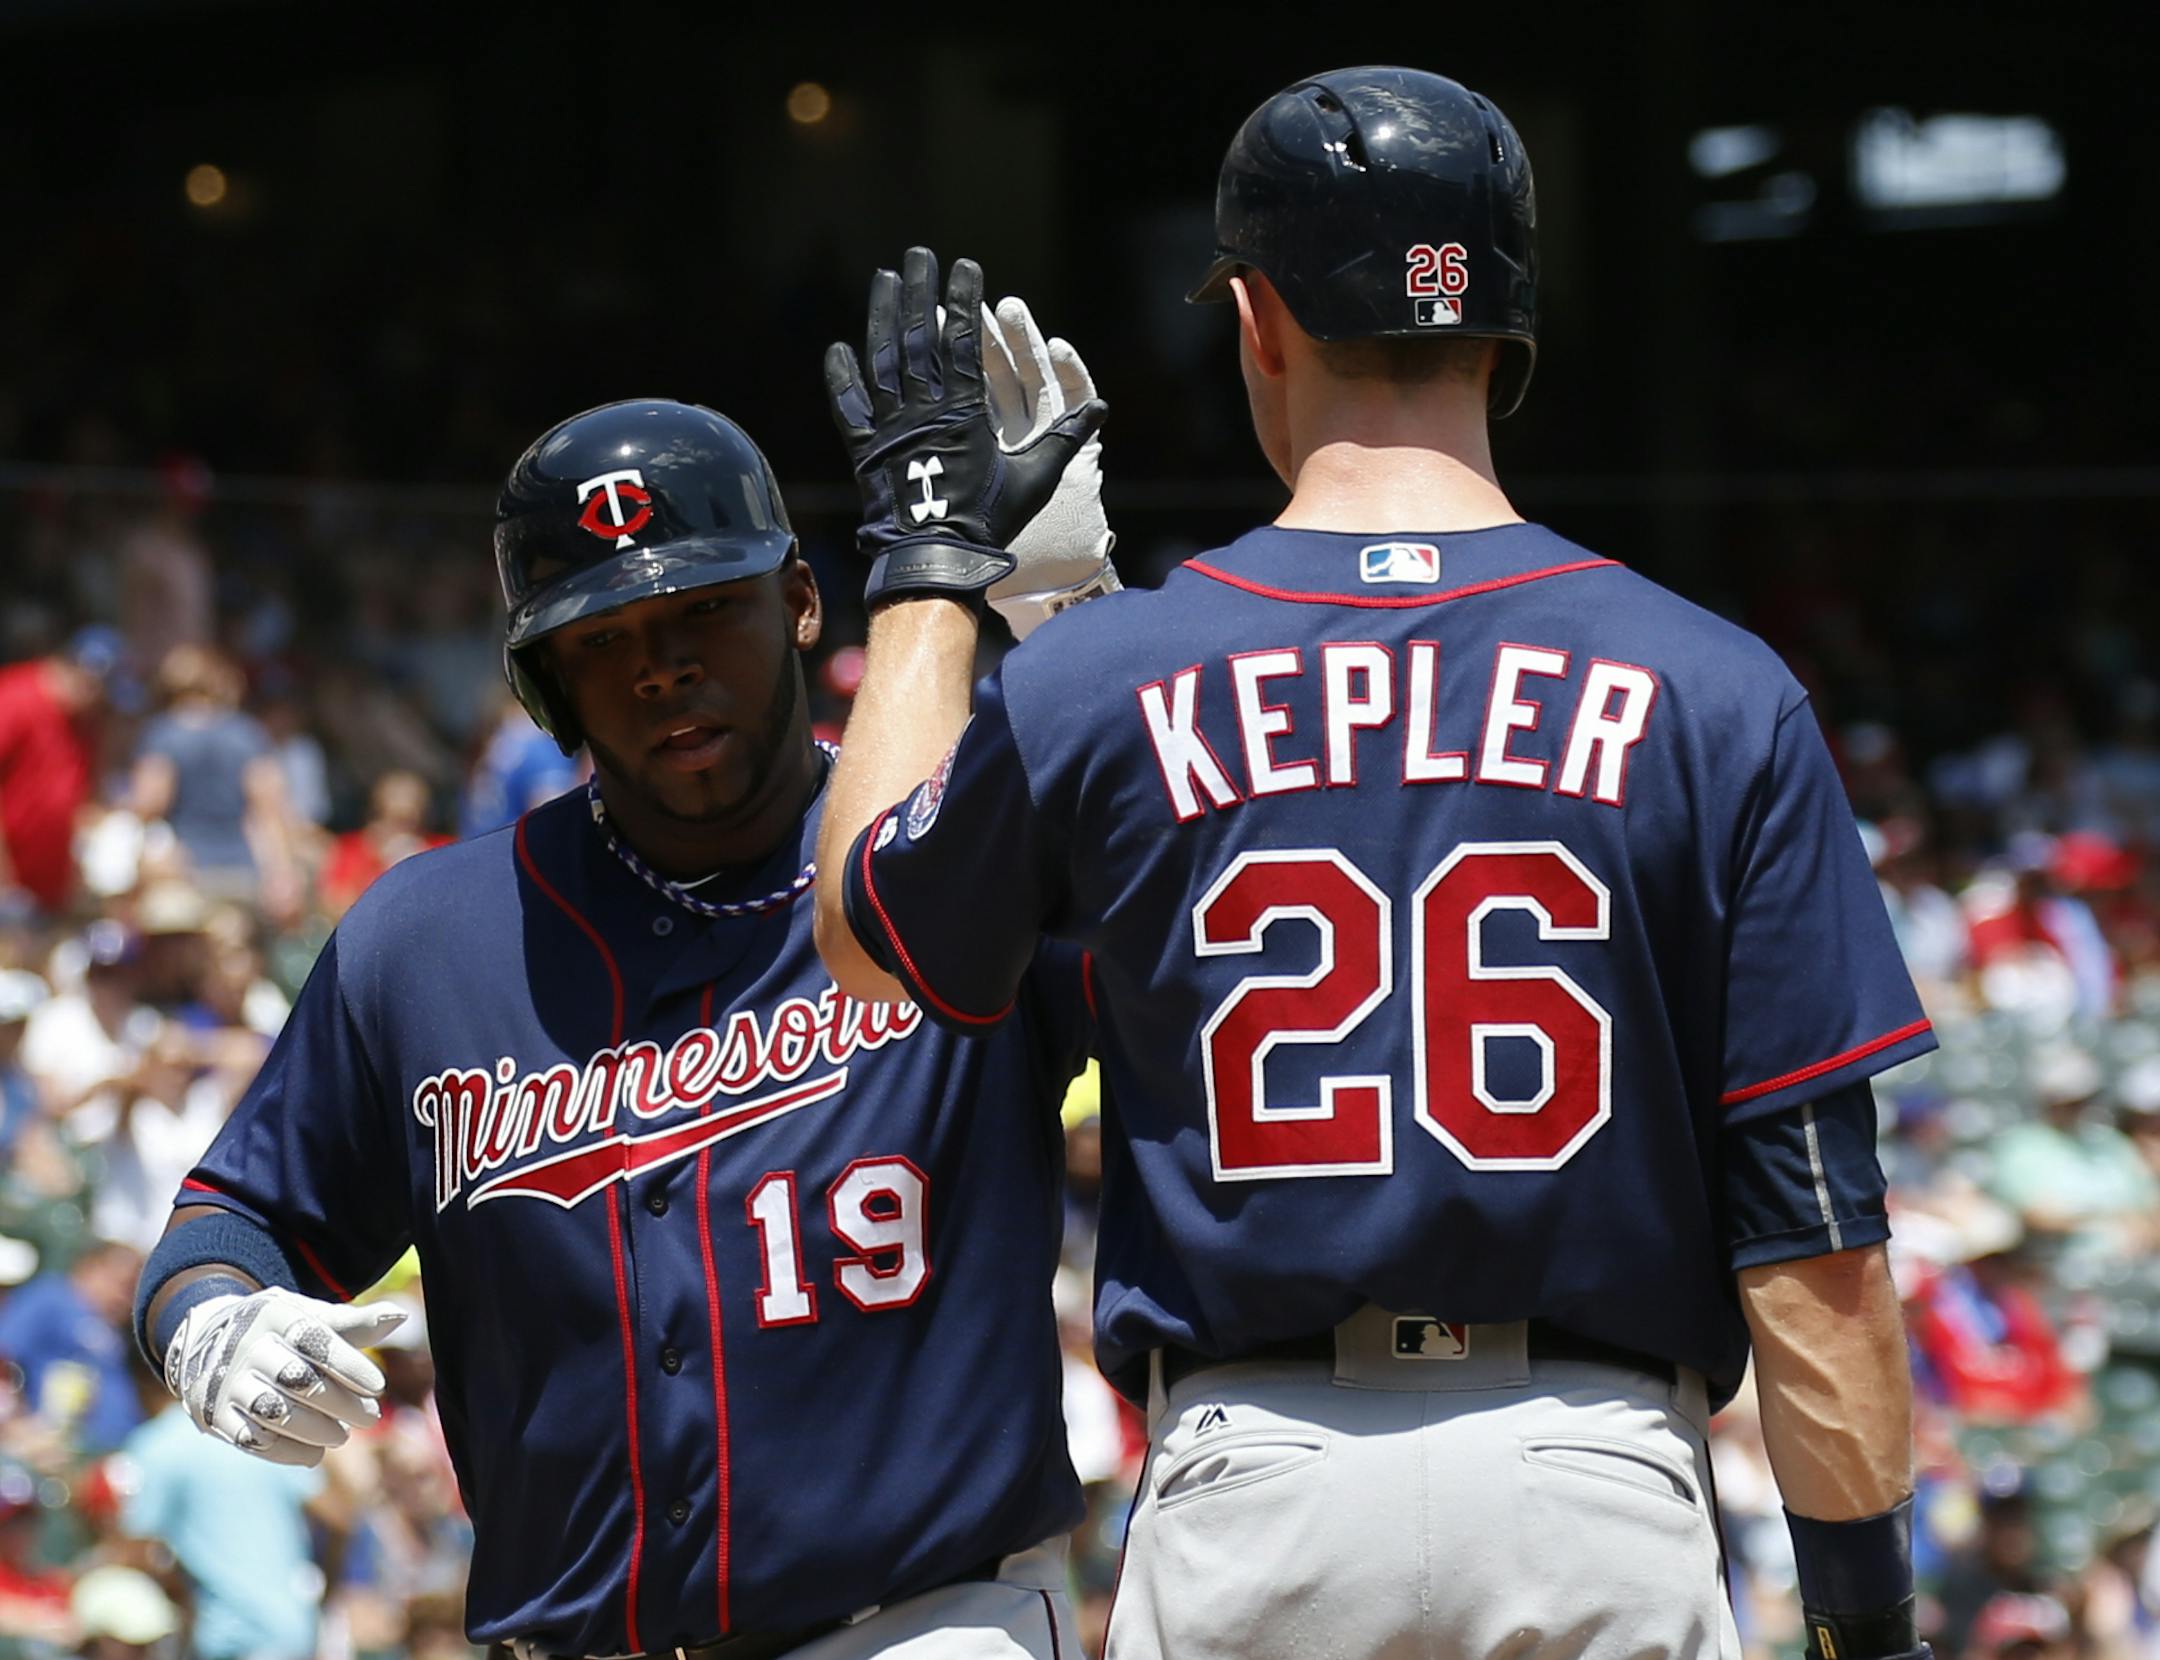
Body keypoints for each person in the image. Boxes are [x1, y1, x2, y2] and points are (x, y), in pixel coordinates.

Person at [813, 67, 1938, 1660]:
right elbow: (1815, 1241)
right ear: (1510, 332)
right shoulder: (1717, 687)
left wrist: (935, 574)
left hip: (1261, 1482)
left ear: (1258, 317)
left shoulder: (1111, 677)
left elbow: (870, 926)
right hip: (1596, 1477)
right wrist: (1865, 1628)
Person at [133, 388, 1120, 1660]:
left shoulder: (968, 855)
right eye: (604, 636)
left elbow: (1199, 931)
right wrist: (211, 1319)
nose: (662, 665)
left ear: (802, 604)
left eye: (704, 608)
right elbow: (233, 1218)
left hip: (925, 1624)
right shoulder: (431, 937)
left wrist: (1081, 630)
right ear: (547, 682)